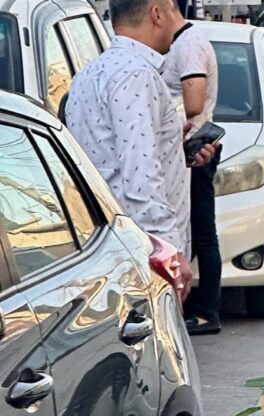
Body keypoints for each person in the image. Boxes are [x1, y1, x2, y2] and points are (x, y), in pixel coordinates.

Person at [65, 0, 218, 301]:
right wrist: (170, 255)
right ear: (157, 14)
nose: (177, 25)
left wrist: (175, 145)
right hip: (140, 258)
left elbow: (114, 155)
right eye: (172, 12)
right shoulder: (136, 75)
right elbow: (140, 179)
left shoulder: (89, 74)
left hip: (106, 246)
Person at [163, 17, 222, 335]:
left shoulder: (188, 44)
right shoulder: (183, 43)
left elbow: (195, 101)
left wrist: (159, 114)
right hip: (185, 148)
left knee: (201, 230)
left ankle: (206, 311)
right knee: (194, 229)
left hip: (195, 149)